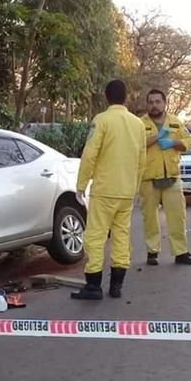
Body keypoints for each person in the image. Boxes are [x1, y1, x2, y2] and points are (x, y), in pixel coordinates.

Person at [72, 79, 146, 300]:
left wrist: (81, 185)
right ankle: (117, 286)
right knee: (121, 237)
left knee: (95, 236)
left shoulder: (101, 120)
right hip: (126, 192)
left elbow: (90, 154)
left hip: (104, 190)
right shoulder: (138, 124)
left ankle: (93, 286)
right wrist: (135, 187)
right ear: (126, 97)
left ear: (106, 97)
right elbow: (142, 161)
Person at [139, 88, 191, 266]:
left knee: (177, 216)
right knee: (149, 217)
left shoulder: (175, 122)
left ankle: (181, 252)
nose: (154, 105)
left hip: (172, 176)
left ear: (164, 103)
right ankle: (152, 251)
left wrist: (174, 142)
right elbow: (136, 145)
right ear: (147, 104)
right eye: (151, 102)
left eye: (158, 102)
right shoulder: (140, 124)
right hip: (148, 178)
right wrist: (156, 138)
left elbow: (189, 143)